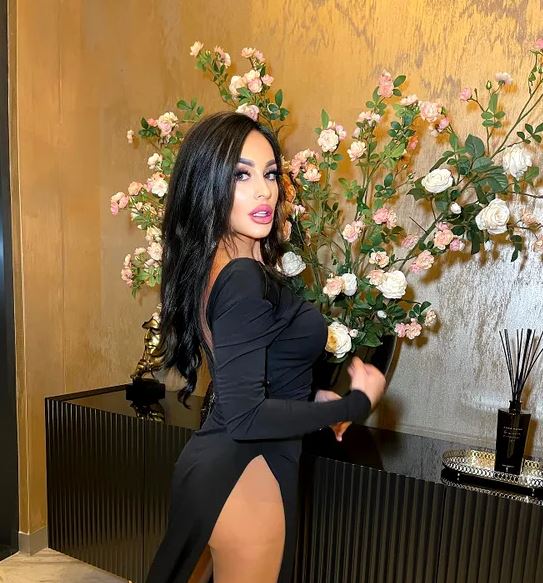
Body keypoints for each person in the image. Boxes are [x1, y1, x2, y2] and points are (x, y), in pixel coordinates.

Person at [145, 111, 387, 583]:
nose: (264, 191)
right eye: (241, 175)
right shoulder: (242, 278)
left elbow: (250, 373)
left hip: (223, 469)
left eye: (271, 174)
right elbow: (247, 415)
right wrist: (358, 403)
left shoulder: (220, 264)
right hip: (246, 478)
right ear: (209, 184)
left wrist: (315, 398)